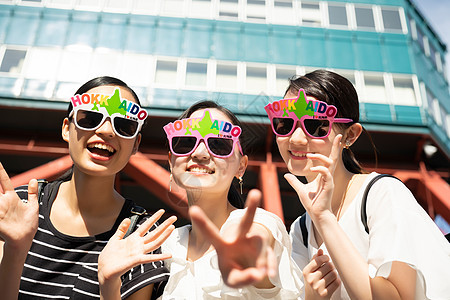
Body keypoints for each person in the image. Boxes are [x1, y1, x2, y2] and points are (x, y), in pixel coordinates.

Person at [264, 69, 450, 299]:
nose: (296, 139)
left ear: (351, 135)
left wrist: (324, 218)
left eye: (315, 126)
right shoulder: (301, 229)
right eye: (284, 124)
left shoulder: (382, 194)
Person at [0, 76, 176, 299]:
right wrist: (14, 251)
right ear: (66, 128)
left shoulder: (141, 235)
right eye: (91, 117)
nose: (106, 130)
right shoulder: (22, 205)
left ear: (136, 144)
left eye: (124, 125)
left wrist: (109, 285)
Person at [158, 101, 306, 299]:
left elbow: (257, 237)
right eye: (185, 142)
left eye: (219, 144)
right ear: (171, 161)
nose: (200, 153)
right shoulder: (165, 246)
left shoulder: (260, 223)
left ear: (241, 167)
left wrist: (250, 254)